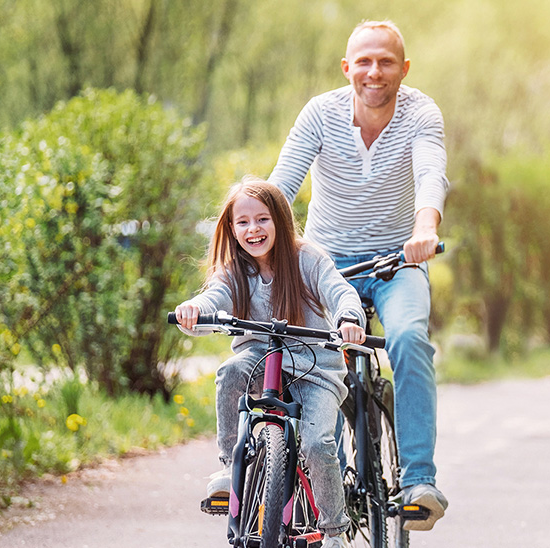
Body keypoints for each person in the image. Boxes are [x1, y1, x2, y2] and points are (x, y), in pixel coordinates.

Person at [267, 20, 450, 532]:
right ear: (347, 68)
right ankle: (313, 478)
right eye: (363, 62)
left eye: (386, 61)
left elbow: (431, 172)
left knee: (410, 338)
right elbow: (282, 184)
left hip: (398, 262)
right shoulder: (321, 114)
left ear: (404, 69)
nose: (374, 72)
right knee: (309, 355)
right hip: (327, 265)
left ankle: (418, 481)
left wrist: (424, 226)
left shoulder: (420, 112)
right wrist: (257, 235)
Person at [174, 176, 366, 546]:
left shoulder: (306, 259)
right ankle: (232, 468)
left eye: (262, 219)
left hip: (316, 371)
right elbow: (213, 298)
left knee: (316, 444)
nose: (253, 229)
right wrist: (194, 309)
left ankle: (334, 531)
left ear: (280, 219)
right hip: (260, 360)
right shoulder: (235, 271)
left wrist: (349, 320)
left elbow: (340, 291)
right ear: (231, 228)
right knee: (230, 371)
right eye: (242, 222)